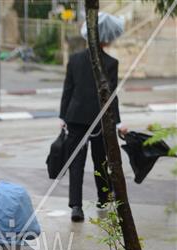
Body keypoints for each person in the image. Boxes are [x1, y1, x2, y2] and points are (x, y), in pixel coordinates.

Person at [59, 12, 128, 222]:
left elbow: (67, 90)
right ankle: (103, 198)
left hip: (75, 118)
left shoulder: (75, 59)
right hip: (100, 120)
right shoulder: (111, 63)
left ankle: (76, 208)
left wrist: (62, 116)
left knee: (76, 164)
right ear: (107, 37)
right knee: (101, 161)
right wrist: (118, 122)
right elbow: (111, 96)